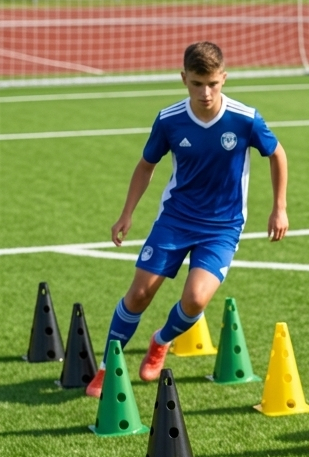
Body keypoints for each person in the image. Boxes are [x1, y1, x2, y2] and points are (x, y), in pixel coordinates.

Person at [85, 41, 288, 397]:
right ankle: (106, 367)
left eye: (212, 83)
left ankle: (160, 341)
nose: (205, 92)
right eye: (197, 83)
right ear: (184, 79)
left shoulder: (245, 118)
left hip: (223, 227)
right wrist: (126, 213)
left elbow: (277, 154)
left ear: (224, 78)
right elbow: (146, 165)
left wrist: (279, 207)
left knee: (195, 299)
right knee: (139, 294)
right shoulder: (169, 120)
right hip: (175, 220)